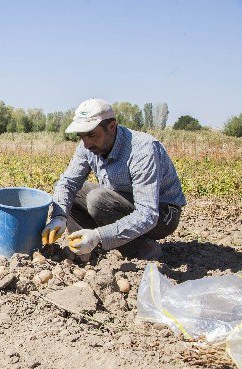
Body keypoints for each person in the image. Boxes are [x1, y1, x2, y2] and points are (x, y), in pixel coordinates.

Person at [42, 98, 186, 261]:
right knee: (75, 193)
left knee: (98, 199)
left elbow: (147, 214)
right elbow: (67, 183)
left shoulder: (142, 150)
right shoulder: (87, 146)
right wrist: (59, 217)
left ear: (111, 127)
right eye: (82, 136)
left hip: (163, 213)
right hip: (121, 199)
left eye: (91, 135)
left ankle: (142, 248)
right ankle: (83, 247)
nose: (87, 143)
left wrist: (99, 235)